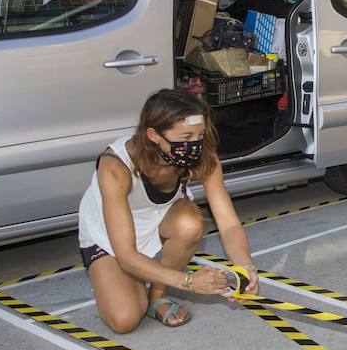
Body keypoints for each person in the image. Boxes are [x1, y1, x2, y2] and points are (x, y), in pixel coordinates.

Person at [77, 89, 259, 332]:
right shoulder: (115, 167)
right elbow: (126, 254)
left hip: (160, 220)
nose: (195, 144)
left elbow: (228, 224)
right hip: (110, 239)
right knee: (124, 319)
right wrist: (189, 282)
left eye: (200, 135)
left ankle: (157, 297)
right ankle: (122, 280)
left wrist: (245, 267)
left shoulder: (201, 155)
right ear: (153, 135)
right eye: (186, 136)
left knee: (190, 223)